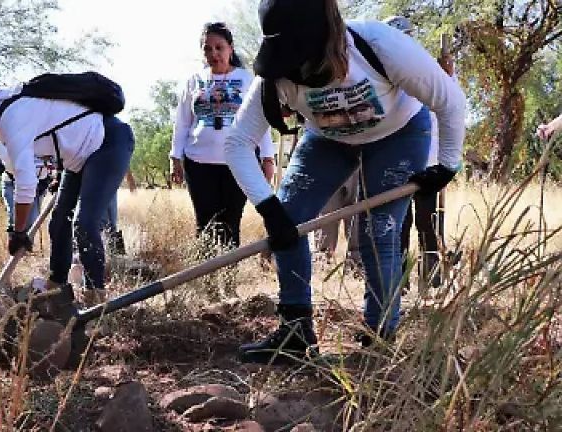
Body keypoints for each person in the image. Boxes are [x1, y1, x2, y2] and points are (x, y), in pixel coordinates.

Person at [224, 0, 466, 363]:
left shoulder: (381, 46)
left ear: (328, 37)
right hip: (328, 139)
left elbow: (451, 101)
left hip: (398, 134)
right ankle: (295, 331)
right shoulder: (276, 75)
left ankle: (379, 337)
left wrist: (446, 166)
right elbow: (237, 143)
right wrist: (269, 208)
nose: (297, 71)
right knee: (289, 215)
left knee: (378, 232)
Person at [0, 81, 134, 306]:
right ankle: (57, 289)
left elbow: (26, 183)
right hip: (78, 159)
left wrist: (18, 232)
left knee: (84, 224)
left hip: (108, 143)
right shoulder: (7, 109)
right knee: (59, 221)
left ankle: (96, 299)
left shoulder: (11, 118)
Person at [170, 22, 276, 249]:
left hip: (238, 162)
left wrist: (267, 157)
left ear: (230, 48)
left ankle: (227, 281)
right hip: (198, 163)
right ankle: (207, 281)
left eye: (219, 47)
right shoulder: (194, 81)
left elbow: (262, 119)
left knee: (230, 224)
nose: (214, 54)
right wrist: (175, 158)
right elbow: (182, 123)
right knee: (205, 225)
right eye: (207, 49)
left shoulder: (248, 79)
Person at [384, 15, 455, 292]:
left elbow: (450, 105)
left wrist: (447, 77)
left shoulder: (427, 68)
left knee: (428, 223)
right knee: (399, 224)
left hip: (428, 163)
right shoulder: (384, 72)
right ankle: (399, 281)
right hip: (397, 161)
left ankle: (432, 276)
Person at [0, 139, 54, 234]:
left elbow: (52, 155)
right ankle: (14, 247)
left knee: (32, 223)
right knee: (14, 220)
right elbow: (2, 152)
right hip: (12, 180)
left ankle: (24, 247)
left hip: (38, 183)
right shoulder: (9, 130)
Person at [101, 169, 136, 255]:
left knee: (110, 225)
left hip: (109, 185)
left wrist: (130, 179)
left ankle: (115, 255)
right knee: (106, 225)